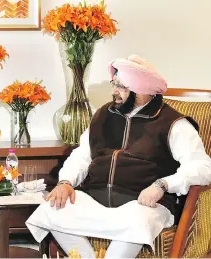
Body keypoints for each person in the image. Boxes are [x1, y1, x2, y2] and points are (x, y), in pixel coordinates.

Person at [26, 54, 211, 258]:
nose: (114, 91)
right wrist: (66, 182)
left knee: (136, 223)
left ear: (142, 89)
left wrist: (162, 185)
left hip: (142, 203)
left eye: (121, 86)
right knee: (52, 210)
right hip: (95, 197)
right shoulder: (103, 115)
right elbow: (82, 156)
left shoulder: (174, 123)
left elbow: (202, 167)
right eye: (114, 84)